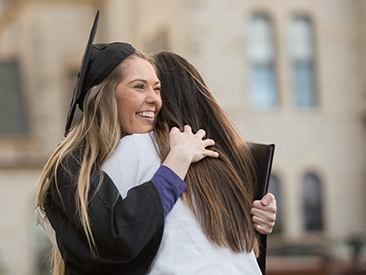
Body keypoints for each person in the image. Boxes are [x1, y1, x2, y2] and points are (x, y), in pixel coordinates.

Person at [35, 12, 218, 275]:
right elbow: (120, 237)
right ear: (103, 97)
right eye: (139, 86)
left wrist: (254, 216)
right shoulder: (72, 165)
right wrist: (177, 161)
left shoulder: (143, 151)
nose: (155, 99)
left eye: (157, 88)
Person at [100, 51, 277, 274]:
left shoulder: (135, 148)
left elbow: (89, 231)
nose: (151, 97)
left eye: (155, 88)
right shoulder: (228, 159)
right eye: (139, 87)